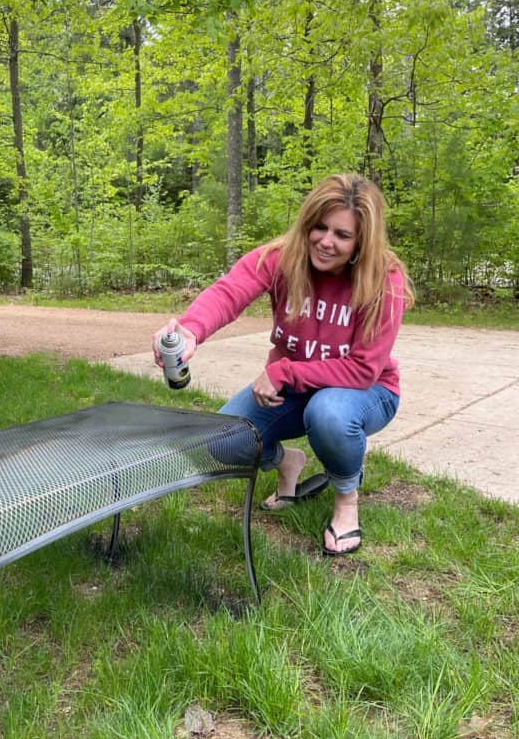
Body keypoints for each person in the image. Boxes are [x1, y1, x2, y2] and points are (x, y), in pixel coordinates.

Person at [152, 173, 414, 557]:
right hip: (293, 390)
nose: (326, 241)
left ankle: (346, 497)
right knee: (222, 443)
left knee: (329, 414)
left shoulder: (384, 280)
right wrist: (190, 331)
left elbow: (362, 369)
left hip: (366, 391)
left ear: (362, 242)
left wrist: (283, 371)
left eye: (342, 235)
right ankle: (288, 462)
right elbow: (229, 292)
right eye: (319, 227)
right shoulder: (281, 258)